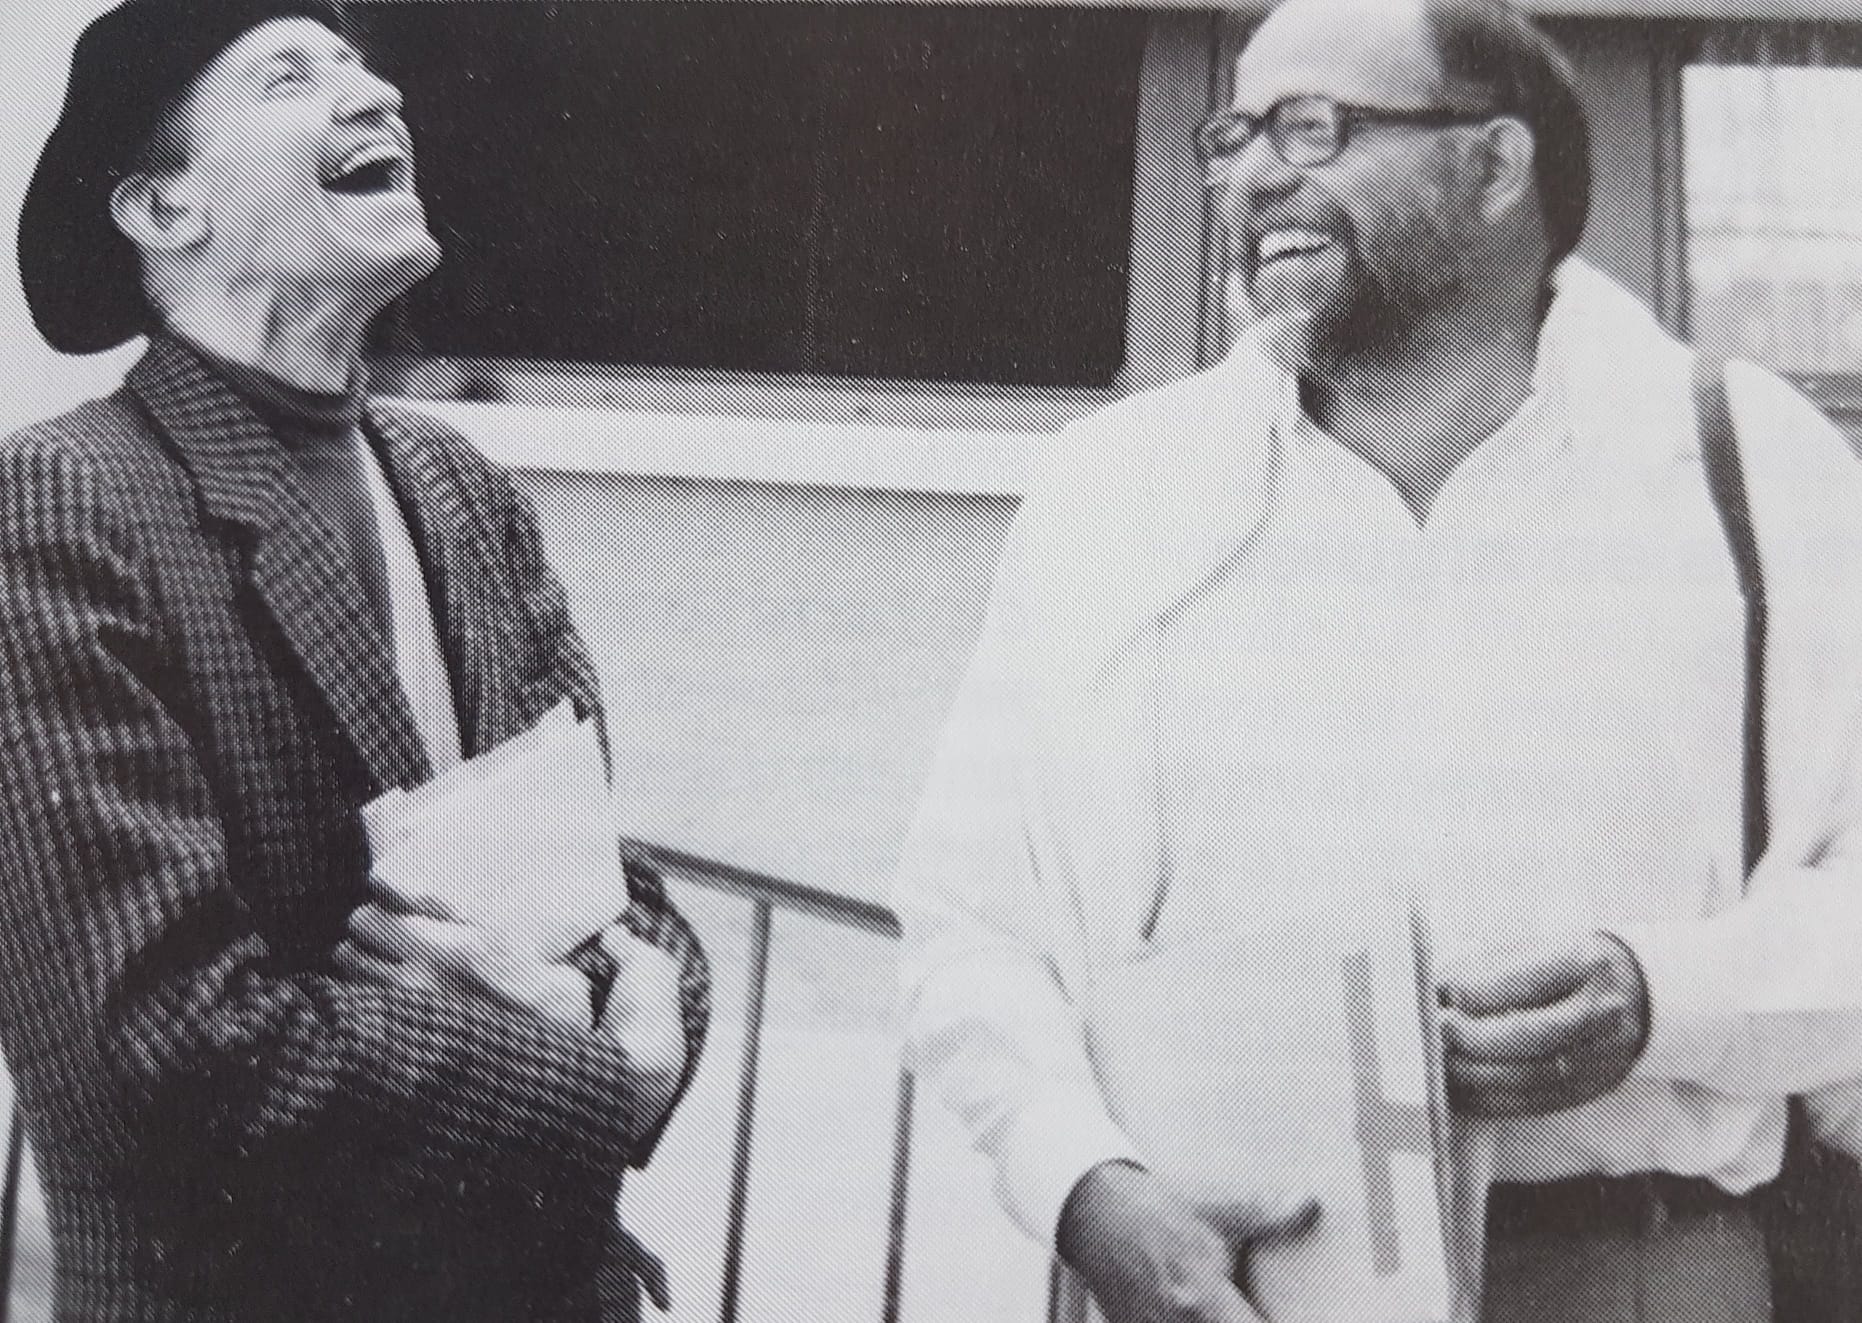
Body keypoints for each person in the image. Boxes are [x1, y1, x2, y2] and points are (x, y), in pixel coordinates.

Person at [893, 1, 1862, 1321]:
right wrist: (1078, 1182)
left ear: (1494, 164)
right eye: (1235, 134)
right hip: (1222, 1278)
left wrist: (1661, 999)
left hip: (1632, 1269)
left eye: (1313, 128)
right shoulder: (1113, 490)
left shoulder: (1745, 466)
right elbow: (970, 916)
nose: (1251, 176)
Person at [0, 2, 709, 1319]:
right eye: (290, 77)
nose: (376, 94)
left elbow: (619, 897)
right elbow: (161, 1053)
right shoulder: (62, 505)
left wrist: (599, 1003)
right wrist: (599, 1070)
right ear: (161, 209)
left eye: (361, 65)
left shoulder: (459, 486)